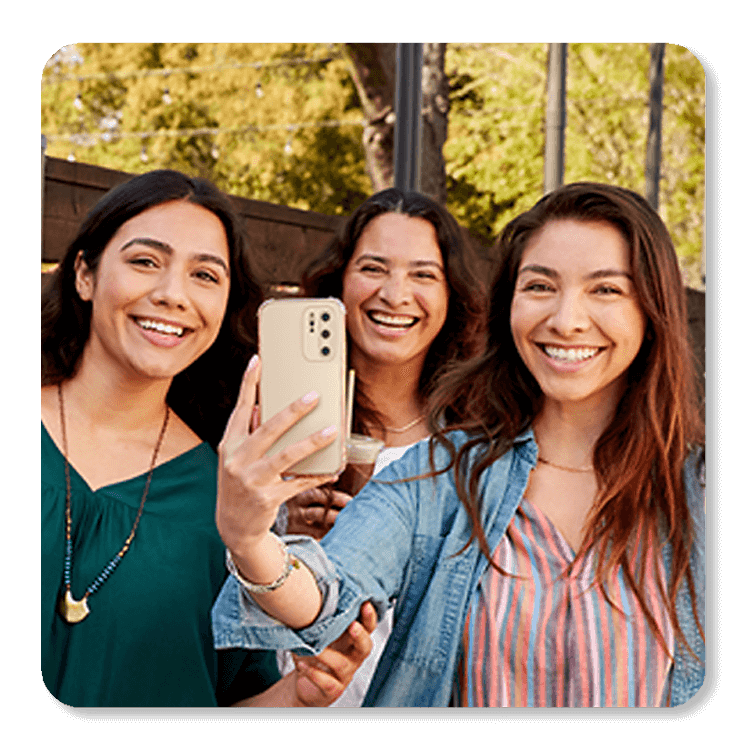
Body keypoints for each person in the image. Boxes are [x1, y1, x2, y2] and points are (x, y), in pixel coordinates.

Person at [212, 181, 705, 707]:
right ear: (508, 304)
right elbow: (325, 591)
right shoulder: (439, 473)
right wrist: (248, 536)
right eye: (539, 286)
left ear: (652, 309)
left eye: (606, 289)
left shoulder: (699, 490)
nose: (566, 320)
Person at [41, 169, 374, 708]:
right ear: (85, 273)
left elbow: (228, 703)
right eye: (145, 261)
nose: (174, 295)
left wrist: (298, 696)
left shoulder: (230, 492)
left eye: (205, 276)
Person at [273, 188, 486, 706]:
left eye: (423, 274)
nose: (395, 294)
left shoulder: (476, 444)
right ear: (339, 283)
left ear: (452, 295)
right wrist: (285, 531)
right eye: (373, 268)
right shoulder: (281, 414)